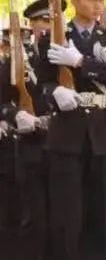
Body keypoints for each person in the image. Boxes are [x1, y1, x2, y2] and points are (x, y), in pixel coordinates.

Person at [39, 0, 106, 260]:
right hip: (67, 133)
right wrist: (54, 92)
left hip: (101, 133)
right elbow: (38, 81)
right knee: (67, 218)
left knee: (99, 216)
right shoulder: (53, 37)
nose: (97, 4)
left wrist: (80, 61)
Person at [0, 15, 50, 260]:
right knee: (29, 217)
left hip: (59, 143)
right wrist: (16, 114)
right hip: (25, 147)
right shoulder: (11, 64)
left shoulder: (48, 59)